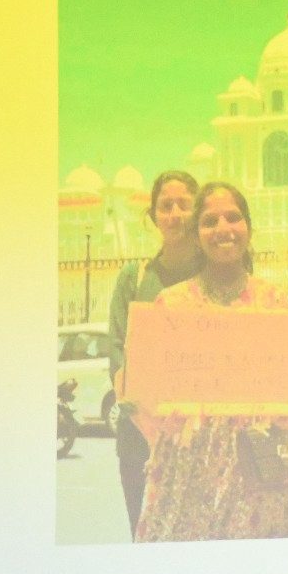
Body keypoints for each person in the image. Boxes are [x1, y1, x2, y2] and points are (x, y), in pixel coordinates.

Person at [136, 182, 288, 542]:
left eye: (233, 218)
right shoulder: (172, 305)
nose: (223, 229)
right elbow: (146, 396)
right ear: (196, 236)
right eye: (210, 221)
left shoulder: (274, 302)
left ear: (248, 228)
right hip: (188, 469)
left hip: (257, 469)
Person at [106, 169, 201, 532]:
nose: (175, 214)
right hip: (140, 432)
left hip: (198, 432)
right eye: (166, 206)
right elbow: (116, 343)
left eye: (184, 205)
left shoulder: (212, 277)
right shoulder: (135, 277)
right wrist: (127, 388)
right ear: (153, 216)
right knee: (145, 532)